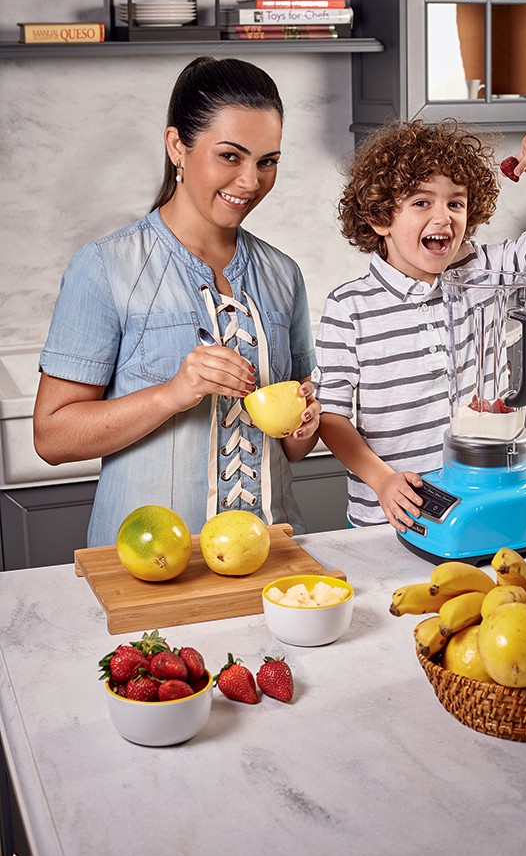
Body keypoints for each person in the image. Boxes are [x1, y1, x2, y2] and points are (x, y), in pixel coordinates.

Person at [34, 56, 320, 546]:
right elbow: (52, 437)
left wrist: (305, 420)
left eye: (267, 161)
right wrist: (173, 393)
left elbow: (295, 450)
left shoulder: (282, 275)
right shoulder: (106, 267)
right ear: (178, 148)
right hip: (154, 564)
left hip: (270, 552)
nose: (251, 181)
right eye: (230, 156)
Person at [313, 119, 526, 532]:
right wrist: (382, 481)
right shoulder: (349, 307)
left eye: (456, 203)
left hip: (482, 500)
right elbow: (331, 416)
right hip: (392, 516)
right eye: (422, 202)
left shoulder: (485, 272)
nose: (443, 217)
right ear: (380, 219)